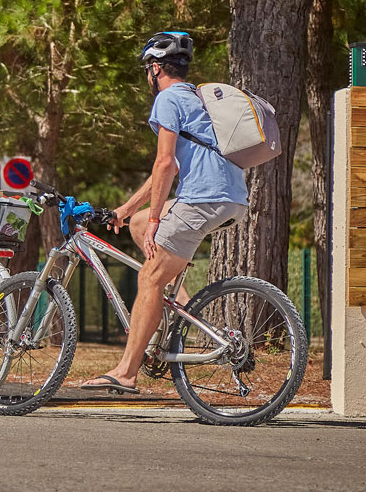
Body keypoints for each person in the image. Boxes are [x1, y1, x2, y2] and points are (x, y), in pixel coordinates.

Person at [80, 32, 248, 394]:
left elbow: (164, 162)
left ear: (155, 68)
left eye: (147, 69)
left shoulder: (168, 98)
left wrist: (157, 219)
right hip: (231, 197)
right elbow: (166, 172)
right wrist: (129, 210)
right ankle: (180, 304)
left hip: (202, 197)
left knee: (149, 279)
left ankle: (126, 371)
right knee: (138, 224)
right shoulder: (196, 98)